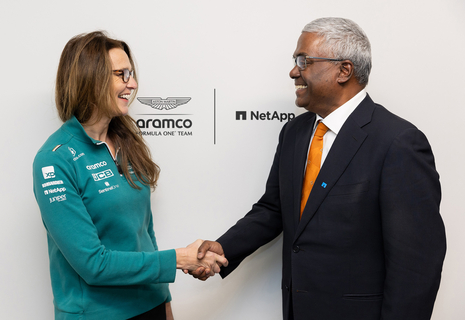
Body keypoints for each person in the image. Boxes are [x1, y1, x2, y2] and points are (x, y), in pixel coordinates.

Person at [191, 17, 446, 320]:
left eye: (304, 61)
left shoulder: (398, 142)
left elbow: (416, 265)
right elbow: (273, 209)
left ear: (344, 70)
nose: (293, 71)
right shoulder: (295, 132)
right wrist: (222, 248)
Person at [32, 31, 227, 320]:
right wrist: (180, 258)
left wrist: (164, 300)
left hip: (150, 305)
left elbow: (144, 234)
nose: (132, 84)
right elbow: (93, 264)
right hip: (98, 314)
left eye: (131, 73)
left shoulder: (125, 141)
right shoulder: (55, 160)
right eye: (121, 74)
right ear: (90, 78)